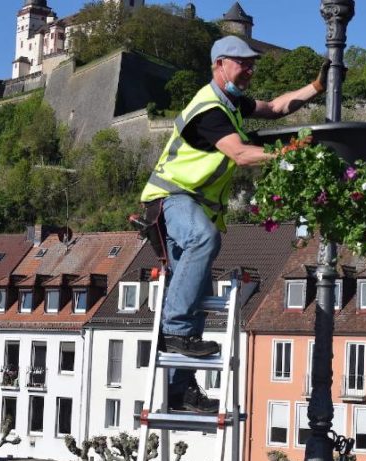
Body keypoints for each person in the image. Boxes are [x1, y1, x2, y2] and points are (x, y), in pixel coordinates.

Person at [139, 36, 329, 413]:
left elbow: (274, 107)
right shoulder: (209, 110)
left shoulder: (232, 104)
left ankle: (179, 391)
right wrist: (286, 154)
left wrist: (316, 87)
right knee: (203, 241)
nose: (250, 71)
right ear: (220, 64)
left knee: (191, 288)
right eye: (243, 64)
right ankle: (176, 332)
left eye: (251, 64)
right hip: (170, 199)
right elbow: (240, 154)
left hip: (189, 203)